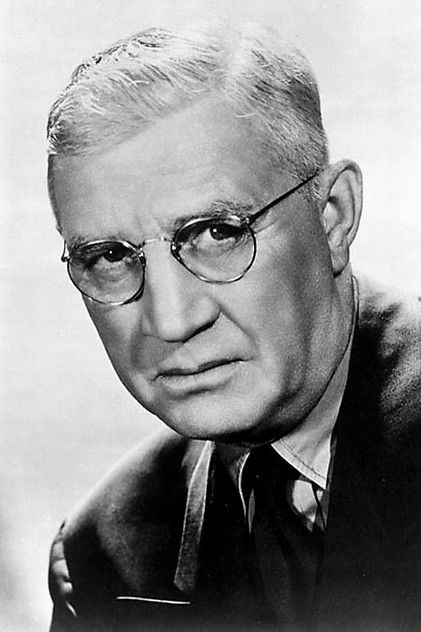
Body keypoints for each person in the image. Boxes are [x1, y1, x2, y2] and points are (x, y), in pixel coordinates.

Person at [46, 22, 420, 632]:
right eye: (110, 257)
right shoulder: (105, 555)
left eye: (218, 233)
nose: (171, 321)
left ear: (333, 216)